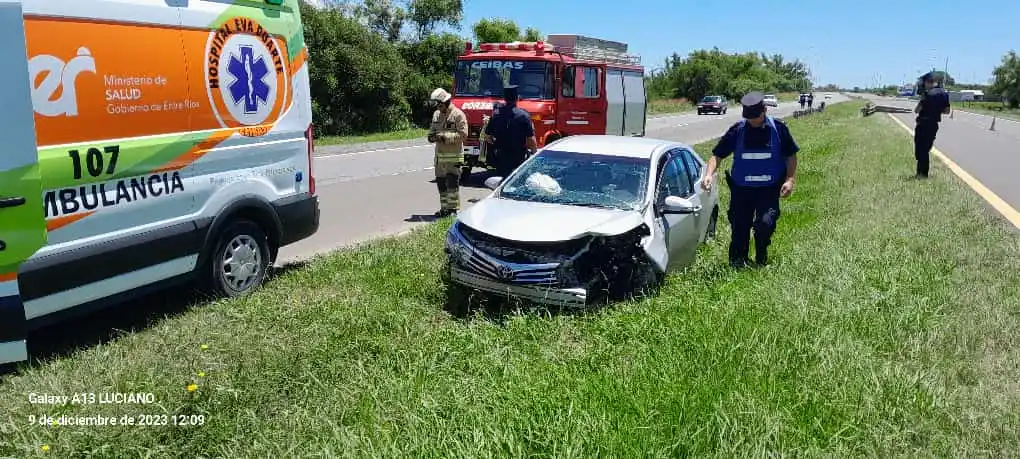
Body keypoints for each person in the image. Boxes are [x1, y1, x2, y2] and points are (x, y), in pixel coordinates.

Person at [701, 91, 800, 269]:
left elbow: (791, 156)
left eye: (755, 116)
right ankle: (738, 262)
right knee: (739, 226)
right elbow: (717, 155)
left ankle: (761, 255)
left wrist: (790, 179)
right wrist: (709, 174)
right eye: (749, 117)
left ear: (764, 111)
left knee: (765, 224)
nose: (752, 121)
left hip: (769, 190)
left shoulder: (779, 129)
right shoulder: (737, 130)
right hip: (741, 189)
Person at [427, 88, 468, 217]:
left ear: (446, 102)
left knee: (452, 183)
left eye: (439, 104)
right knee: (441, 183)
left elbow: (463, 135)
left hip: (454, 156)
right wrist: (432, 137)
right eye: (437, 105)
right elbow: (432, 132)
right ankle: (444, 208)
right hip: (440, 157)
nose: (438, 107)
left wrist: (444, 137)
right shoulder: (436, 115)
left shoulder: (458, 115)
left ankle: (453, 209)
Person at [484, 85, 538, 179]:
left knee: (501, 181)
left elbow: (488, 136)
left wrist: (496, 144)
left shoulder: (496, 114)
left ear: (504, 98)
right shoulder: (523, 115)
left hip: (501, 156)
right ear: (517, 98)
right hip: (518, 156)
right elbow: (531, 139)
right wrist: (534, 154)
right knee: (517, 181)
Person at [912, 71, 951, 178]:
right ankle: (922, 173)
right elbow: (947, 111)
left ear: (927, 83)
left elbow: (917, 110)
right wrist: (936, 110)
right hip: (933, 125)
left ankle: (922, 174)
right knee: (926, 149)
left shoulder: (927, 94)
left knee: (920, 150)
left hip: (923, 124)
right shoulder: (944, 93)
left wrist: (923, 102)